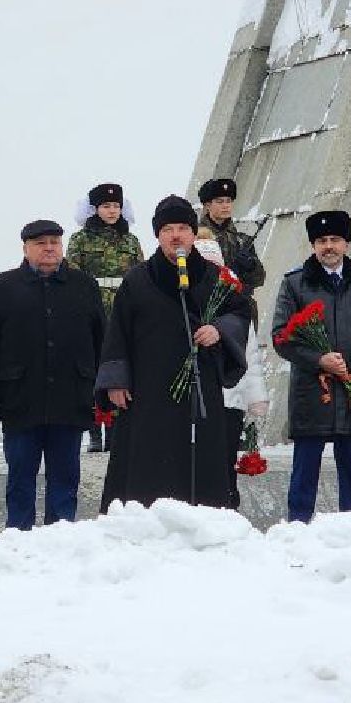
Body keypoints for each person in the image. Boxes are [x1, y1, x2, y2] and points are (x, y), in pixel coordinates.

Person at [96, 195, 247, 510]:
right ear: (158, 235)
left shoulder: (215, 278)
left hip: (199, 386)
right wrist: (116, 380)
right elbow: (117, 332)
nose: (175, 235)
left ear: (193, 234)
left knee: (200, 458)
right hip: (148, 388)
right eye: (167, 229)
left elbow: (239, 315)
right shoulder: (137, 280)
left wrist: (219, 330)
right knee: (147, 457)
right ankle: (145, 518)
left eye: (182, 228)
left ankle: (203, 515)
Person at [0, 219, 106, 530]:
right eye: (40, 243)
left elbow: (102, 341)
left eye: (54, 243)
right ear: (26, 248)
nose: (49, 249)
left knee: (65, 481)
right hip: (19, 400)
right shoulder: (3, 287)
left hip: (70, 400)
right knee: (20, 480)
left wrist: (100, 392)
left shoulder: (84, 286)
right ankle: (19, 539)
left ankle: (60, 538)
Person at [270, 210, 351, 519]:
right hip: (312, 395)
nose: (329, 246)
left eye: (335, 239)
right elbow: (281, 338)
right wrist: (318, 360)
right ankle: (297, 529)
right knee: (304, 474)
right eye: (322, 241)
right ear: (313, 245)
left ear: (346, 244)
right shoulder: (295, 284)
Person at [198, 176, 265, 502]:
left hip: (237, 315)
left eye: (228, 201)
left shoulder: (241, 239)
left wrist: (246, 269)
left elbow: (259, 277)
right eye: (219, 201)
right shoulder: (199, 235)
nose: (225, 206)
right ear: (207, 205)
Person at [64, 182, 142, 453]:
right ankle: (95, 429)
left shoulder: (130, 240)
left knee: (119, 366)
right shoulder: (80, 239)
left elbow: (140, 275)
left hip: (123, 311)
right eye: (106, 206)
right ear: (95, 209)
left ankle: (116, 430)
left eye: (116, 206)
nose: (112, 211)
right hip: (92, 309)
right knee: (93, 368)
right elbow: (73, 276)